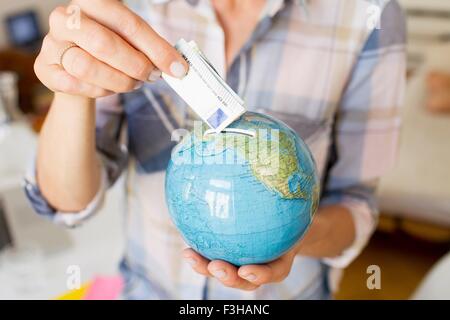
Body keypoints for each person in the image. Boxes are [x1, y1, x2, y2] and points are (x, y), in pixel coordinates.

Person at [28, 0, 406, 299]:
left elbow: (356, 204)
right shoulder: (128, 7)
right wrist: (72, 90)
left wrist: (290, 234)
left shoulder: (370, 15)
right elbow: (67, 203)